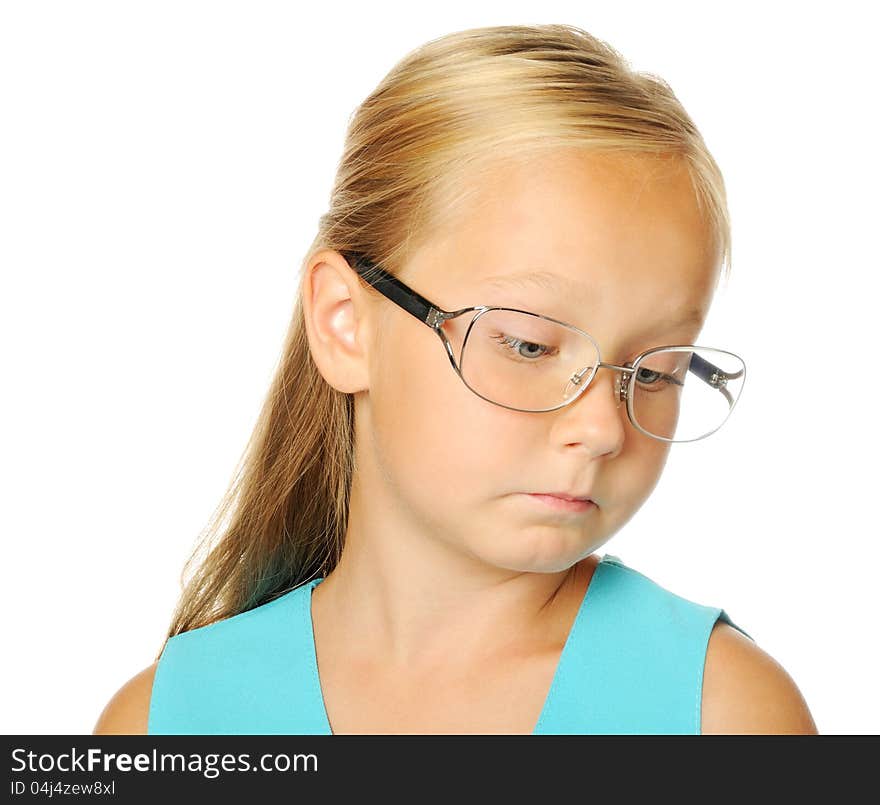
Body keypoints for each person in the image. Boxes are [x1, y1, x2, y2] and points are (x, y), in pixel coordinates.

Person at [93, 23, 817, 735]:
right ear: (346, 321)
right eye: (529, 345)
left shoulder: (724, 714)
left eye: (658, 370)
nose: (602, 427)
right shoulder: (161, 724)